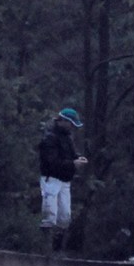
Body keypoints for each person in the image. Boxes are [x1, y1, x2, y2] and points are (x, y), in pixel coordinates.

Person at [38, 108, 88, 254]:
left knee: (65, 217)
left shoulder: (68, 137)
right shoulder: (50, 138)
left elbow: (71, 154)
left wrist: (77, 158)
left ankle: (57, 248)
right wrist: (73, 164)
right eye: (70, 124)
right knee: (49, 216)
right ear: (63, 122)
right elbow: (51, 162)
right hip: (51, 180)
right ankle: (45, 248)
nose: (72, 127)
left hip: (65, 181)